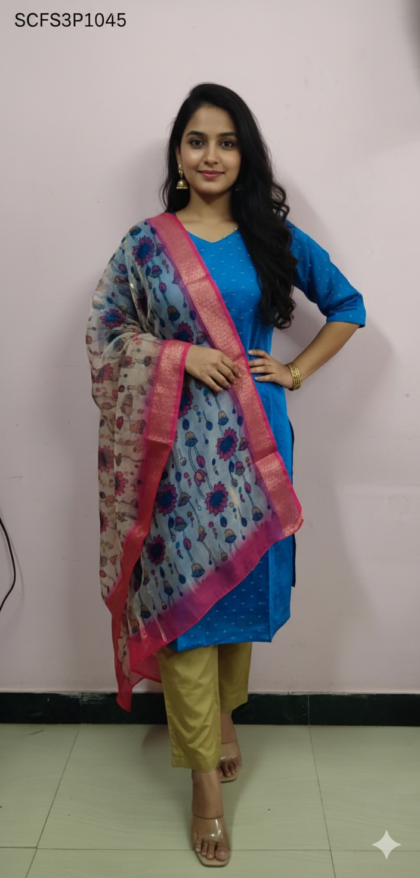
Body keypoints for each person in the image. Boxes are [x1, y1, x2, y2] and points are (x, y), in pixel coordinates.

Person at [86, 82, 366, 867]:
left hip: (254, 451)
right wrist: (180, 355)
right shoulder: (146, 245)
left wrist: (294, 371)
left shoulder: (271, 238)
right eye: (197, 140)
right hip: (174, 459)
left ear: (245, 155)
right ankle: (204, 785)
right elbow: (105, 333)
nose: (212, 155)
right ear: (178, 155)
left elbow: (348, 306)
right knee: (185, 612)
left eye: (227, 141)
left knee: (236, 596)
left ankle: (225, 716)